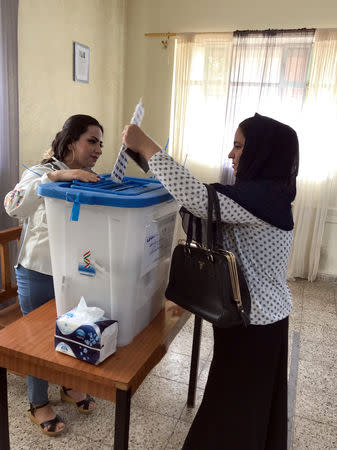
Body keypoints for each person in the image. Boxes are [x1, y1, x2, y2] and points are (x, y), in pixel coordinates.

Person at [122, 113, 299, 450]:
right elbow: (200, 200)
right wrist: (148, 160)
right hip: (262, 319)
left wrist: (146, 144)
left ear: (264, 151)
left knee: (234, 405)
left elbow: (200, 200)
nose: (231, 154)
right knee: (248, 400)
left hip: (254, 322)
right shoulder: (265, 196)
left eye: (239, 146)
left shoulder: (259, 201)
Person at [4, 114, 104, 436]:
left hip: (73, 274)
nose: (98, 148)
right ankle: (37, 403)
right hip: (37, 272)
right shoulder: (41, 173)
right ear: (72, 141)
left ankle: (68, 386)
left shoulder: (88, 177)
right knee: (38, 343)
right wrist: (56, 177)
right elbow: (12, 206)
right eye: (92, 141)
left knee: (71, 331)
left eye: (101, 143)